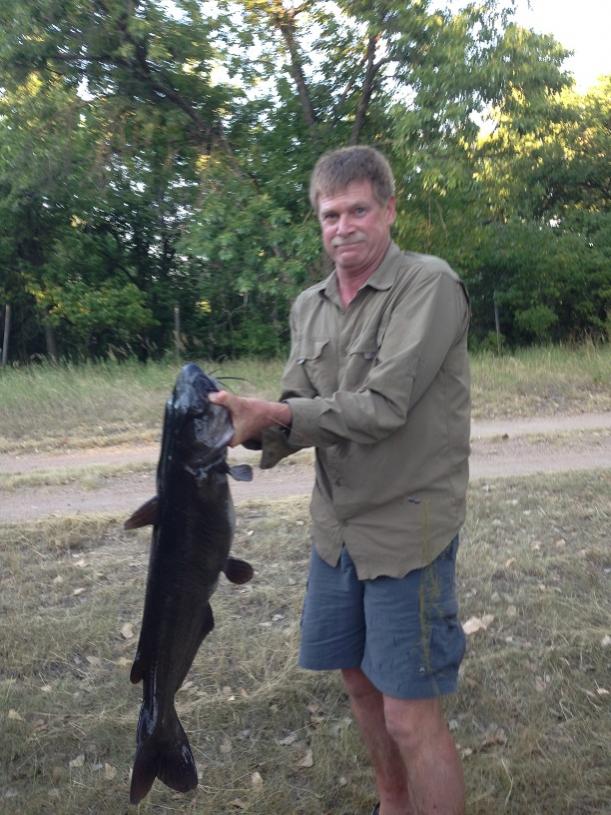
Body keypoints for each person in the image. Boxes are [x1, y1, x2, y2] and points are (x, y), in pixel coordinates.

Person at [210, 145, 470, 815]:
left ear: (389, 209)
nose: (344, 227)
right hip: (336, 528)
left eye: (358, 210)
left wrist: (278, 415)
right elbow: (297, 405)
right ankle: (393, 804)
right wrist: (236, 427)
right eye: (331, 214)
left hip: (407, 526)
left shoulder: (428, 285)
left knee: (410, 715)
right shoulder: (310, 305)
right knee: (358, 683)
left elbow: (384, 406)